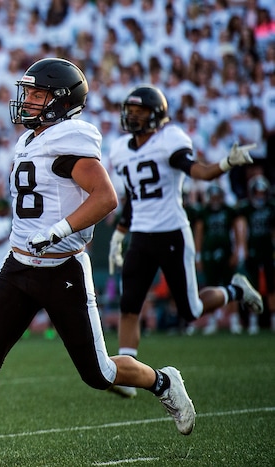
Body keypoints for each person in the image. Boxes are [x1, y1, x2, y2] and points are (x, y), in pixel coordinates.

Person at [0, 58, 196, 467]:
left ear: (61, 100)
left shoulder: (69, 139)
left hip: (62, 268)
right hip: (18, 266)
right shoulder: (29, 139)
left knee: (99, 374)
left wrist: (58, 230)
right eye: (29, 92)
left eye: (37, 94)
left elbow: (106, 197)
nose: (28, 100)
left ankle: (163, 381)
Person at [107, 85, 264, 398]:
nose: (132, 117)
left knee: (190, 310)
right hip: (141, 235)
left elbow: (200, 173)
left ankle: (235, 289)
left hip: (172, 234)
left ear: (156, 116)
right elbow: (133, 199)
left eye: (139, 113)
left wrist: (226, 163)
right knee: (129, 306)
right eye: (131, 111)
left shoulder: (170, 140)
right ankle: (128, 374)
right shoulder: (120, 150)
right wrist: (120, 233)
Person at [193, 183, 244, 335]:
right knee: (212, 286)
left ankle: (234, 320)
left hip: (226, 251)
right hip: (209, 253)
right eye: (213, 197)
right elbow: (199, 234)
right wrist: (198, 255)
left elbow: (236, 230)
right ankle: (213, 321)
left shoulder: (229, 211)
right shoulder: (204, 212)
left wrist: (237, 251)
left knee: (230, 285)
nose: (215, 200)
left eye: (217, 197)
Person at [236, 174, 275, 333]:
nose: (259, 196)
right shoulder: (246, 208)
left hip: (268, 250)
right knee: (252, 286)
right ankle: (253, 320)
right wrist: (242, 248)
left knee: (272, 286)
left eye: (262, 193)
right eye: (257, 192)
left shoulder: (271, 207)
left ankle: (272, 320)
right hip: (253, 249)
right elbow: (242, 228)